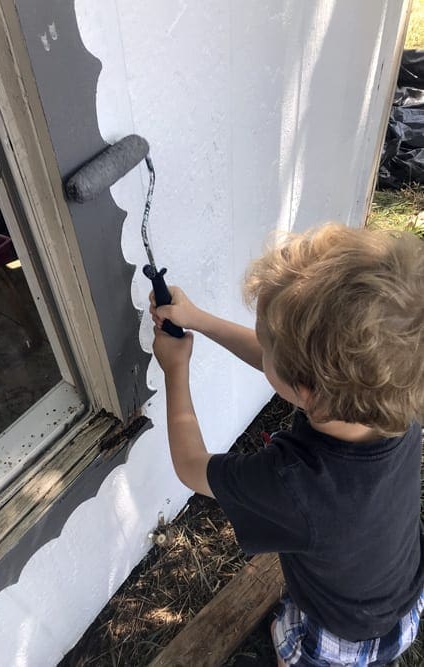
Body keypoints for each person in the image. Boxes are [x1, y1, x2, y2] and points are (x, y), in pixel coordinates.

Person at [149, 223, 424, 667]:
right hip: (401, 607)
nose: (262, 347)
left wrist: (175, 370)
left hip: (337, 639)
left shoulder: (294, 485)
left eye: (268, 343)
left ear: (306, 390)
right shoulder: (396, 410)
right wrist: (196, 318)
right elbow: (282, 365)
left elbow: (191, 466)